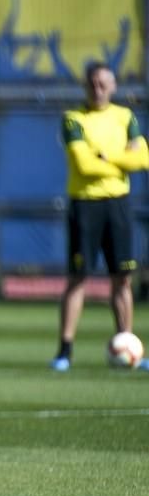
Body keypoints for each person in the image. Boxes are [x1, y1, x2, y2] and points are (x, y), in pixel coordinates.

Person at [51, 62, 149, 371]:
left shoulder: (125, 117)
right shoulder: (73, 119)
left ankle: (127, 341)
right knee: (78, 278)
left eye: (103, 83)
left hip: (117, 203)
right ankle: (65, 351)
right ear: (85, 86)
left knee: (122, 278)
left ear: (114, 86)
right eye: (92, 83)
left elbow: (143, 159)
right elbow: (84, 165)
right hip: (86, 204)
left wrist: (108, 156)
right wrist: (122, 159)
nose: (98, 89)